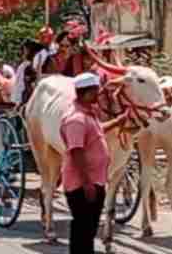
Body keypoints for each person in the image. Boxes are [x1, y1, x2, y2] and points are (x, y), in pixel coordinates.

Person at [61, 72, 122, 254]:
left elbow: (96, 133)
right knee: (83, 228)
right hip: (83, 184)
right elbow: (76, 151)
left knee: (88, 228)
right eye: (95, 91)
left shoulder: (87, 115)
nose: (98, 95)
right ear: (85, 93)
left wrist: (118, 121)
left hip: (94, 181)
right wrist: (87, 183)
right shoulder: (76, 119)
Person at [12, 40, 40, 107]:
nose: (22, 52)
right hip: (18, 100)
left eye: (25, 50)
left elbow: (27, 86)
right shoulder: (23, 65)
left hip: (23, 101)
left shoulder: (29, 67)